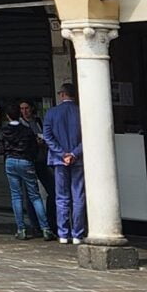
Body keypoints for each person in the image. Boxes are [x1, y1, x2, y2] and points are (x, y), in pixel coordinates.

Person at [42, 83, 87, 245]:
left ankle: (63, 233)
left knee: (61, 197)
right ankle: (78, 234)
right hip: (78, 159)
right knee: (78, 196)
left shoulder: (51, 113)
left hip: (58, 160)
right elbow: (88, 136)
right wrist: (74, 153)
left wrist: (61, 154)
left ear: (62, 95)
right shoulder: (82, 112)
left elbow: (47, 137)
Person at [0, 99, 51, 241]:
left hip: (10, 161)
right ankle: (45, 228)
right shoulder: (27, 131)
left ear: (8, 116)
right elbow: (34, 149)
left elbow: (0, 149)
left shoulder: (4, 130)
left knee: (16, 196)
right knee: (35, 195)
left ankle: (21, 229)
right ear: (19, 114)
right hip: (25, 161)